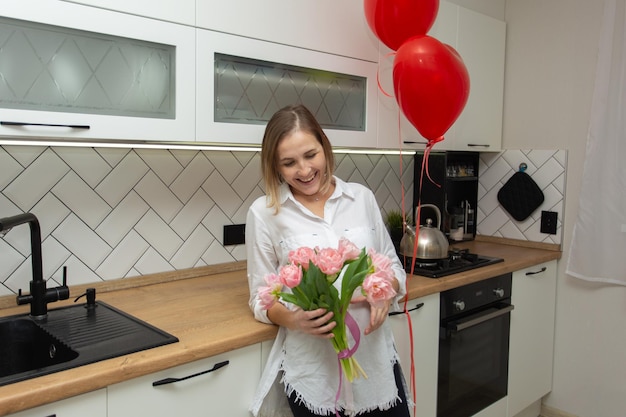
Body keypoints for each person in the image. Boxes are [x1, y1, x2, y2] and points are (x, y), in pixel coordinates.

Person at [246, 104, 410, 417]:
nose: (304, 170)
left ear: (324, 146)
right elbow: (260, 298)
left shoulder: (361, 198)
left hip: (373, 365)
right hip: (313, 373)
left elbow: (393, 268)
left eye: (310, 155)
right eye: (289, 163)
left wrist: (384, 292)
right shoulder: (264, 213)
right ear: (276, 167)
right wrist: (293, 319)